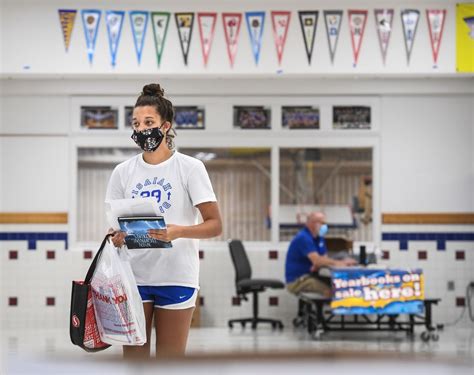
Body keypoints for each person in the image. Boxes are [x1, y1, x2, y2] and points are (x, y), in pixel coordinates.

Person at [106, 83, 222, 359]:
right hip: (133, 276)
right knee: (135, 362)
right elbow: (114, 226)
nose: (142, 129)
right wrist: (117, 236)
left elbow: (215, 225)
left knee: (170, 361)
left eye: (149, 122)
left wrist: (178, 231)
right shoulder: (123, 172)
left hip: (177, 275)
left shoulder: (190, 168)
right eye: (136, 123)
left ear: (165, 126)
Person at [285, 212, 356, 297]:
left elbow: (322, 259)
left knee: (340, 285)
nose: (325, 226)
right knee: (331, 291)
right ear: (312, 223)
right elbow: (318, 261)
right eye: (322, 223)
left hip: (312, 275)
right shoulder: (303, 238)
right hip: (298, 280)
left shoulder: (319, 238)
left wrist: (340, 262)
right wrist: (336, 263)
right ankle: (331, 309)